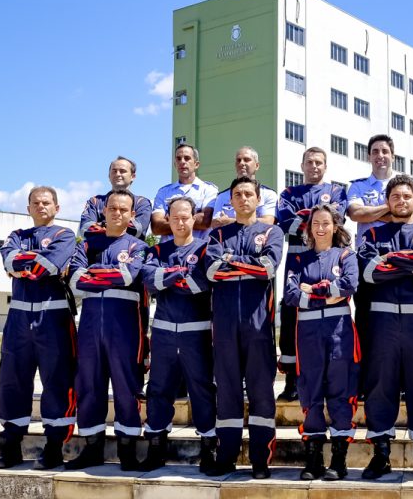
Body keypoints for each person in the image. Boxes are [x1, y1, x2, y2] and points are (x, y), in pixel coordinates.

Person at [357, 174, 413, 481]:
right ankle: (381, 455)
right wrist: (410, 262)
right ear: (388, 201)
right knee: (380, 386)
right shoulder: (371, 235)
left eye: (407, 196)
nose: (401, 201)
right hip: (382, 322)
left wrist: (390, 261)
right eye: (396, 197)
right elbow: (369, 273)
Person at [204, 177, 283, 479]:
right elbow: (212, 271)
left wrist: (231, 261)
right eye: (237, 194)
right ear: (231, 201)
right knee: (227, 390)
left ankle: (261, 460)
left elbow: (268, 269)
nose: (242, 198)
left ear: (258, 199)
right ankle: (226, 457)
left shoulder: (272, 232)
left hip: (258, 322)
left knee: (262, 391)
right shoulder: (218, 234)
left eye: (248, 194)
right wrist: (244, 263)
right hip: (223, 323)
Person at [0, 186, 77, 469]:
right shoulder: (16, 236)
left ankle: (54, 446)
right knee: (12, 380)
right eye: (35, 203)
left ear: (57, 207)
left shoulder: (64, 235)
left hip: (52, 317)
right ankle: (11, 444)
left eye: (46, 203)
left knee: (57, 381)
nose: (41, 207)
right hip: (18, 318)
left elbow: (49, 266)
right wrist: (25, 264)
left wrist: (23, 265)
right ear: (28, 208)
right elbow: (8, 260)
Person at [66, 190, 148, 471]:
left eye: (123, 210)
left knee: (126, 386)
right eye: (112, 208)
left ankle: (127, 449)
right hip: (90, 325)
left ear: (132, 215)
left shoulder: (138, 246)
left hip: (124, 326)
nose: (117, 213)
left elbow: (127, 276)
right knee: (88, 384)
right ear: (104, 211)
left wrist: (94, 274)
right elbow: (76, 281)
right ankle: (92, 447)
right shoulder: (87, 245)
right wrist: (108, 274)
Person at [139, 197, 217, 473]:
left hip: (195, 331)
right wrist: (178, 275)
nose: (180, 221)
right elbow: (149, 281)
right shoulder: (158, 250)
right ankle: (156, 446)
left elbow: (201, 283)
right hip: (162, 331)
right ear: (168, 220)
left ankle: (209, 447)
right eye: (175, 217)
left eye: (185, 217)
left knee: (202, 389)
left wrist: (168, 278)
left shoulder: (206, 249)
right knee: (158, 388)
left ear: (194, 218)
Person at [283, 204, 359, 481]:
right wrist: (327, 292)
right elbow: (290, 295)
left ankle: (339, 460)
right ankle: (313, 459)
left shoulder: (347, 255)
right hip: (307, 331)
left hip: (340, 329)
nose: (321, 228)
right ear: (309, 228)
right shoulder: (298, 260)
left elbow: (349, 285)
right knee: (310, 390)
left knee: (341, 389)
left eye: (326, 223)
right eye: (316, 223)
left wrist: (311, 289)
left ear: (335, 227)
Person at [276, 147, 348, 402]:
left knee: (327, 316)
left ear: (325, 166)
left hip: (328, 257)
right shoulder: (288, 193)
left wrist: (306, 219)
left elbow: (337, 219)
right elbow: (285, 221)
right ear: (302, 165)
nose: (314, 166)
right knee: (292, 317)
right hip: (297, 259)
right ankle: (292, 382)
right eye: (309, 162)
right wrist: (315, 223)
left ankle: (329, 379)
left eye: (319, 162)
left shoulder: (338, 191)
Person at [347, 134, 395, 397]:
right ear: (369, 156)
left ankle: (397, 382)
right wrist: (389, 208)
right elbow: (356, 214)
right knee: (365, 320)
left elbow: (407, 214)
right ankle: (366, 382)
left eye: (385, 151)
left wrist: (373, 210)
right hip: (366, 260)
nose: (380, 156)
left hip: (399, 261)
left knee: (396, 322)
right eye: (375, 151)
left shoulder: (407, 184)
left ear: (392, 155)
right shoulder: (357, 187)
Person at [152, 144, 218, 242]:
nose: (182, 162)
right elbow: (156, 227)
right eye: (178, 159)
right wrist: (194, 216)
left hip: (198, 251)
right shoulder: (164, 192)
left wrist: (171, 220)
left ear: (196, 164)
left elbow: (205, 221)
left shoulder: (208, 189)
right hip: (167, 252)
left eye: (187, 158)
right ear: (175, 164)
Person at [79, 156, 152, 240]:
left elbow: (137, 230)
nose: (117, 174)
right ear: (109, 175)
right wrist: (120, 225)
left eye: (122, 171)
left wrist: (102, 225)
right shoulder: (94, 201)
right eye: (114, 171)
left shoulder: (142, 203)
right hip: (97, 252)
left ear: (133, 176)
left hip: (130, 251)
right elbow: (85, 228)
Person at [211, 146, 278, 228]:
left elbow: (268, 222)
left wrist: (229, 221)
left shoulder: (269, 194)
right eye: (238, 160)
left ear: (257, 166)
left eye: (246, 160)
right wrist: (255, 220)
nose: (241, 163)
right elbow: (215, 224)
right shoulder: (222, 196)